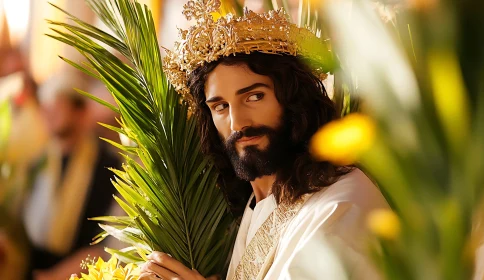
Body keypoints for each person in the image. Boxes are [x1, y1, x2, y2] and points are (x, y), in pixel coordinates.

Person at [139, 1, 388, 279]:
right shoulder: (257, 203)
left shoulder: (340, 205)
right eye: (220, 106)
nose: (237, 122)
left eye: (254, 96)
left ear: (294, 99)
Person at [23, 74, 121, 280]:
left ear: (80, 111)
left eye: (57, 104)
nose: (48, 112)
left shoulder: (107, 166)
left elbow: (106, 241)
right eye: (45, 106)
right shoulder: (39, 161)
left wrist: (56, 275)